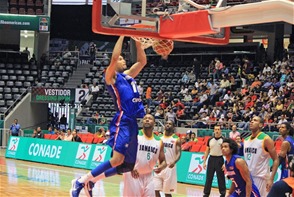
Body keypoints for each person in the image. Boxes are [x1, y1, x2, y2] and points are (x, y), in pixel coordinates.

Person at [70, 36, 147, 197]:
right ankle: (81, 181)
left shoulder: (127, 76)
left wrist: (138, 43)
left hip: (133, 122)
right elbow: (113, 57)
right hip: (123, 120)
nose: (123, 60)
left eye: (123, 58)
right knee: (117, 159)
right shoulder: (111, 78)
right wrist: (121, 34)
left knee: (127, 165)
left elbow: (142, 62)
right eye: (121, 59)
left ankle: (92, 181)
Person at [123, 114, 167, 196]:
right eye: (145, 118)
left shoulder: (159, 141)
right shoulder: (134, 135)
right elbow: (124, 154)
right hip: (132, 173)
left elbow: (163, 161)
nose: (147, 120)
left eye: (150, 118)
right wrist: (130, 167)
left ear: (154, 123)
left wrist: (161, 166)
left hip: (149, 176)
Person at [243, 116, 279, 197]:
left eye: (255, 120)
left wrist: (271, 179)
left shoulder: (265, 139)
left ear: (261, 125)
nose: (251, 122)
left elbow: (276, 159)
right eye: (251, 120)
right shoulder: (246, 140)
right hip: (247, 177)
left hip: (260, 178)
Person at [154, 120, 182, 197]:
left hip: (169, 167)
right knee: (155, 190)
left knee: (167, 192)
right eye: (166, 123)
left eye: (170, 124)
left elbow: (179, 153)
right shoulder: (159, 138)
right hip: (158, 166)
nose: (168, 125)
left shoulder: (176, 139)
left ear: (173, 127)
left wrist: (174, 161)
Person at [202, 125, 226, 197]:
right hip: (211, 159)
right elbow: (206, 151)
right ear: (214, 130)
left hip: (220, 159)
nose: (217, 131)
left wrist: (225, 163)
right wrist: (204, 162)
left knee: (220, 177)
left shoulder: (224, 140)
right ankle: (206, 193)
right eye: (215, 129)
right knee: (209, 177)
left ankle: (222, 193)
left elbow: (226, 152)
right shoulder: (210, 140)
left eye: (218, 129)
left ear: (220, 130)